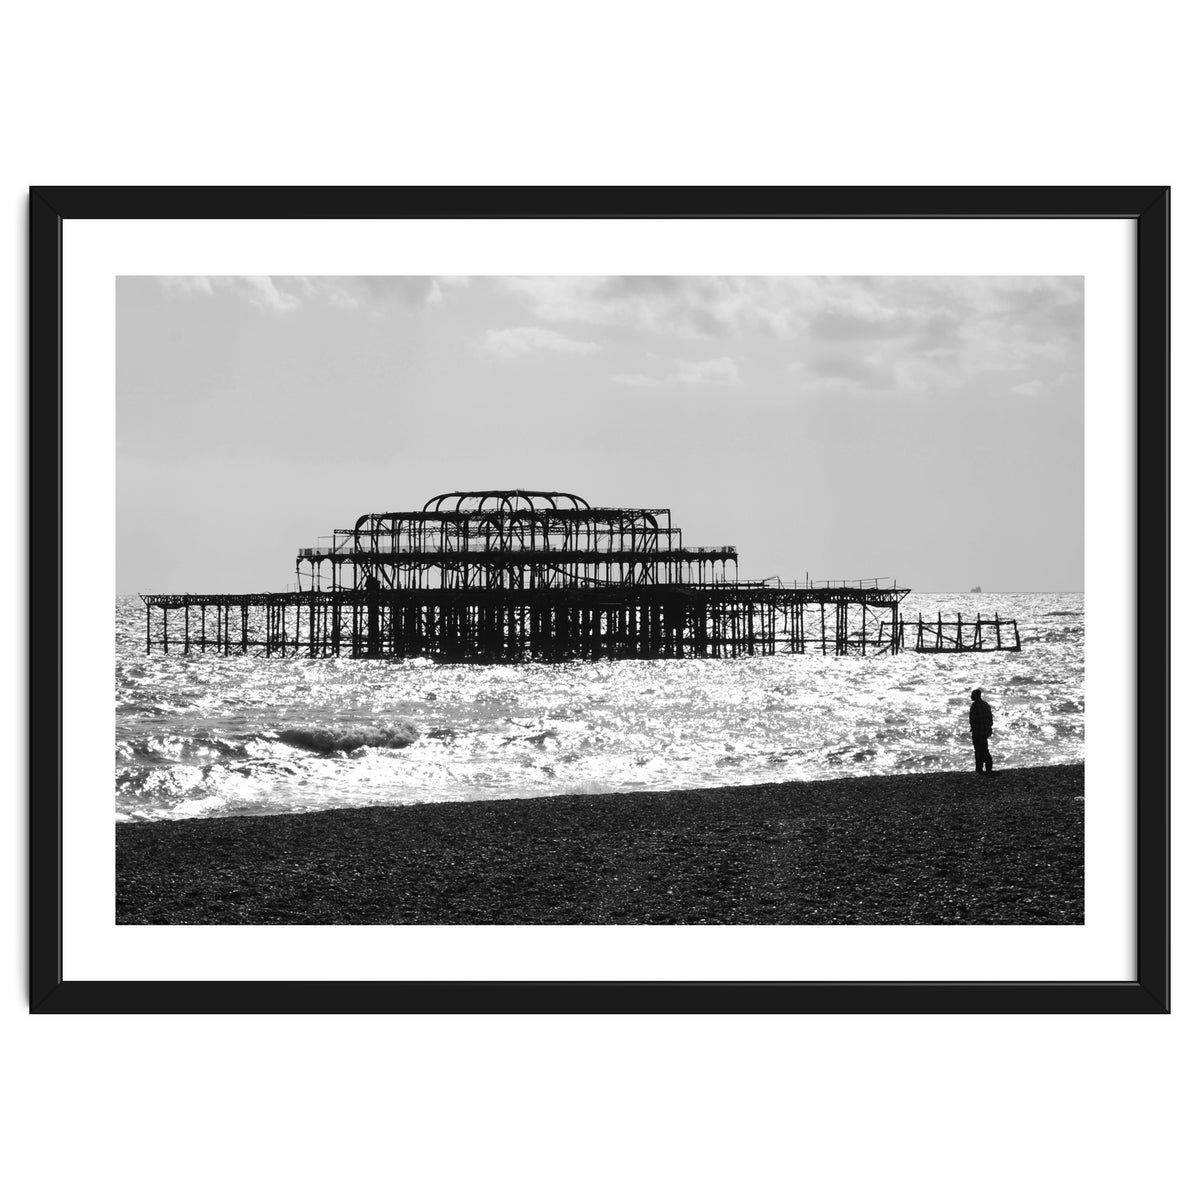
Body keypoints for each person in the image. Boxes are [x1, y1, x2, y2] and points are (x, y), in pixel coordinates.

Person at [969, 687, 993, 773]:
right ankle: (988, 766)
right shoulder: (985, 704)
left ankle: (979, 768)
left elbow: (973, 720)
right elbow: (990, 719)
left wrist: (973, 728)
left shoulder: (975, 706)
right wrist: (989, 729)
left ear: (975, 696)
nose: (971, 696)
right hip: (985, 731)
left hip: (978, 731)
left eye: (972, 695)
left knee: (979, 750)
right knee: (984, 748)